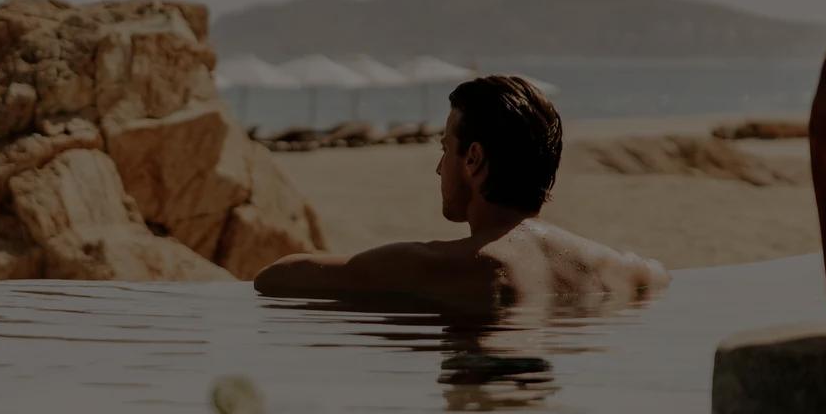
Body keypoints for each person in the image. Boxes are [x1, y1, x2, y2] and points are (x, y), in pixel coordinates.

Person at [255, 75, 668, 306]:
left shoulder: (448, 265)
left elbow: (276, 277)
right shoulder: (622, 270)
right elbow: (660, 276)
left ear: (473, 159)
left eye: (444, 149)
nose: (438, 168)